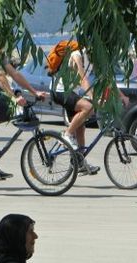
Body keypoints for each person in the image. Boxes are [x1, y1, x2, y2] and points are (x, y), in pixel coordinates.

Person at [49, 45, 99, 175]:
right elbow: (83, 78)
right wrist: (93, 97)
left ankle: (79, 161)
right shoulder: (77, 54)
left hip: (71, 92)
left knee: (81, 128)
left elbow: (104, 79)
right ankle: (66, 135)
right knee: (88, 107)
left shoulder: (92, 59)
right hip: (60, 91)